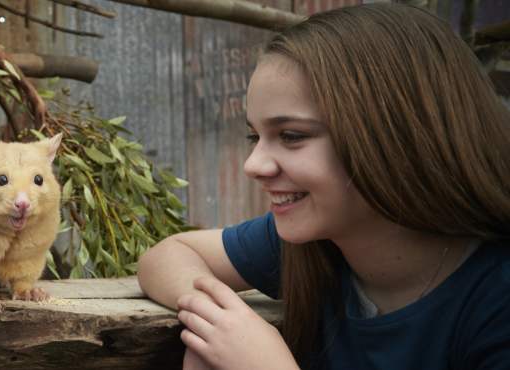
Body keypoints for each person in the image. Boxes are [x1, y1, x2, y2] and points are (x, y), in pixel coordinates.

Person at [137, 3, 510, 370]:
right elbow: (168, 256)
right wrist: (220, 321)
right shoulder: (308, 248)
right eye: (255, 137)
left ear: (399, 135)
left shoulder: (495, 297)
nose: (253, 166)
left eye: (292, 135)